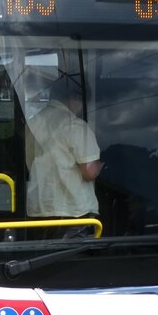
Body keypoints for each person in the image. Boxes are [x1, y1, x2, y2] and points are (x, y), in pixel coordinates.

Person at [25, 82, 103, 226]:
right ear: (73, 98)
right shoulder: (76, 126)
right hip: (73, 211)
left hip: (38, 210)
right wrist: (101, 165)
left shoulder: (32, 124)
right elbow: (89, 172)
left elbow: (29, 162)